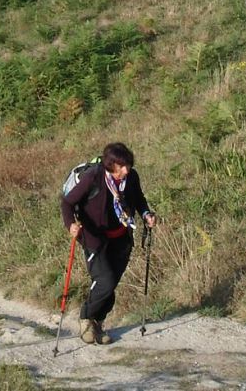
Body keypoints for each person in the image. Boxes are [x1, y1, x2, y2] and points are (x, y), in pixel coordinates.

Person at [60, 142, 156, 346]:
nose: (126, 170)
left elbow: (138, 199)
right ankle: (86, 317)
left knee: (111, 284)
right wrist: (71, 226)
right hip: (94, 238)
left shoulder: (131, 177)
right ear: (110, 165)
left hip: (121, 236)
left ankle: (98, 323)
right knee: (105, 280)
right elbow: (67, 202)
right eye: (121, 166)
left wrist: (146, 213)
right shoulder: (94, 177)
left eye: (128, 165)